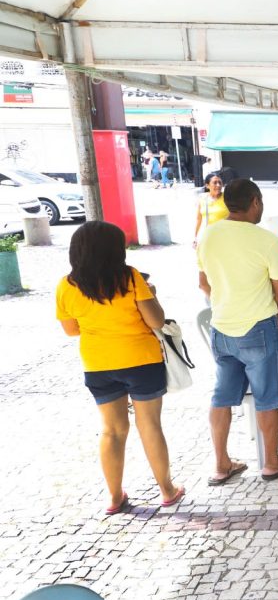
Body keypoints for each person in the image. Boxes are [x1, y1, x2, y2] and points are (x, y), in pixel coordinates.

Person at [56, 221, 184, 515]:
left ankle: (115, 497)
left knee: (112, 430)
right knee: (149, 424)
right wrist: (151, 294)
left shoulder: (66, 285)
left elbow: (71, 330)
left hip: (98, 365)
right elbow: (156, 321)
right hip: (141, 361)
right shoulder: (130, 277)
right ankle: (167, 490)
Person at [197, 179, 278, 484]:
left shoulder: (208, 235)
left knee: (222, 397)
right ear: (255, 201)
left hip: (221, 328)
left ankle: (221, 464)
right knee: (267, 397)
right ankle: (271, 462)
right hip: (258, 328)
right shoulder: (265, 239)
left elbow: (203, 283)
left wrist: (225, 301)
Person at [193, 173, 228, 249]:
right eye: (215, 183)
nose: (218, 185)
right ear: (207, 185)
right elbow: (199, 219)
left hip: (225, 237)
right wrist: (195, 237)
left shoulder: (227, 198)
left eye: (220, 182)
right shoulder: (202, 199)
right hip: (209, 237)